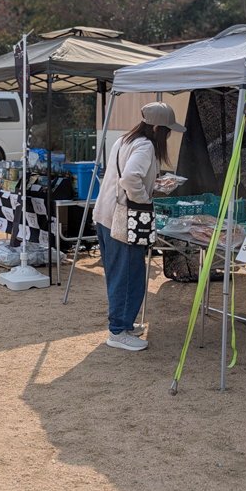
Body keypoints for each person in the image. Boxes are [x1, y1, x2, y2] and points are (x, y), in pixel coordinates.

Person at [93, 102, 184, 351]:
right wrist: (144, 198)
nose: (168, 135)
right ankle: (118, 331)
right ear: (155, 128)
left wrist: (148, 186)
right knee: (128, 275)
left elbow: (124, 177)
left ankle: (123, 324)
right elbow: (130, 177)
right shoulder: (145, 146)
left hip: (106, 215)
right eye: (167, 130)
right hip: (124, 218)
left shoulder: (124, 139)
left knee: (119, 274)